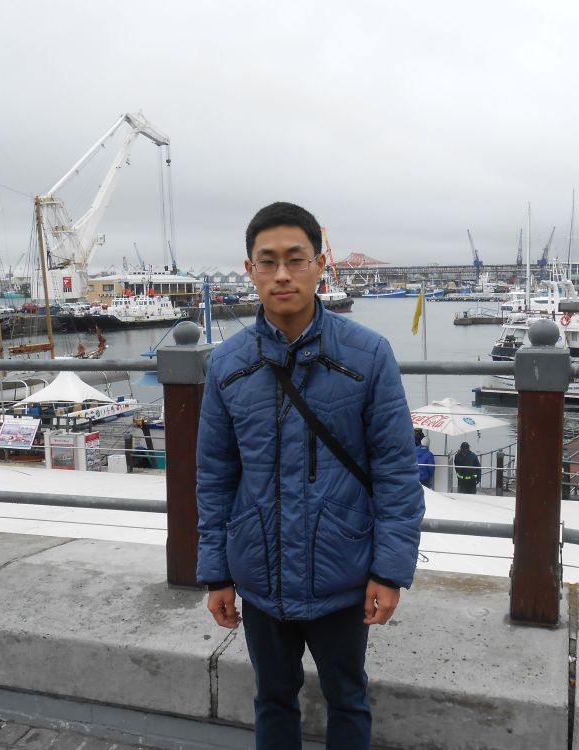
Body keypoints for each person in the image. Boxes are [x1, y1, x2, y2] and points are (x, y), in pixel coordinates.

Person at [197, 202, 425, 749]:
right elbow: (215, 475)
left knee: (348, 698)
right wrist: (216, 573)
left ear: (320, 264)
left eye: (295, 259)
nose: (282, 274)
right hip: (260, 573)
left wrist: (390, 570)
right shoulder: (227, 364)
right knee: (272, 699)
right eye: (267, 261)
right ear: (249, 269)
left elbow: (396, 470)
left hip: (341, 572)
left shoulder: (368, 355)